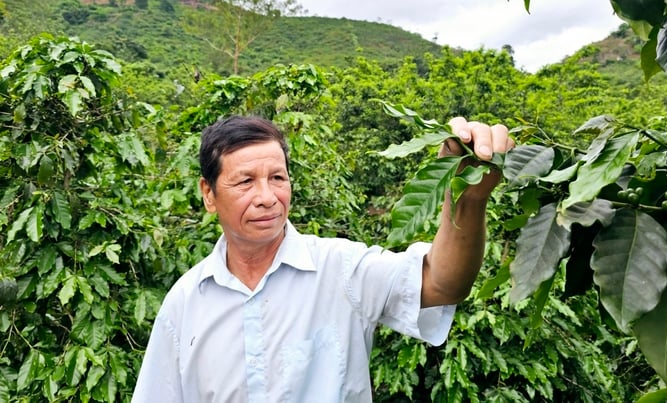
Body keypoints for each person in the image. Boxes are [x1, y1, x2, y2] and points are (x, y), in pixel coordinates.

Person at [132, 115, 514, 402]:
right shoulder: (185, 303)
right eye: (246, 181)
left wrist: (468, 198)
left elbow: (443, 284)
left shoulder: (342, 269)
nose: (267, 197)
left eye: (278, 178)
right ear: (209, 194)